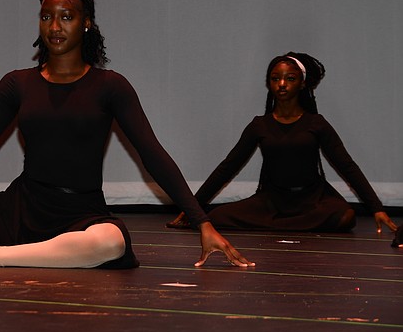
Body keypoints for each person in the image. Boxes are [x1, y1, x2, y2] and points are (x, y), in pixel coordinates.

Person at [0, 0, 252, 269]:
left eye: (66, 17)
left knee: (111, 243)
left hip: (80, 212)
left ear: (86, 24)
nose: (55, 26)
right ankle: (19, 251)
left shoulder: (110, 87)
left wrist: (203, 223)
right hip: (21, 207)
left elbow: (152, 155)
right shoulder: (17, 84)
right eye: (46, 17)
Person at [167, 52, 397, 234]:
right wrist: (193, 209)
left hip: (312, 201)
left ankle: (284, 225)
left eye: (290, 78)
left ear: (302, 84)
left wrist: (376, 208)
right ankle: (286, 224)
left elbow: (347, 165)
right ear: (269, 84)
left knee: (346, 217)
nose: (282, 84)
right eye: (276, 79)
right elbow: (228, 167)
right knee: (216, 217)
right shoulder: (260, 125)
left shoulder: (316, 124)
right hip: (271, 202)